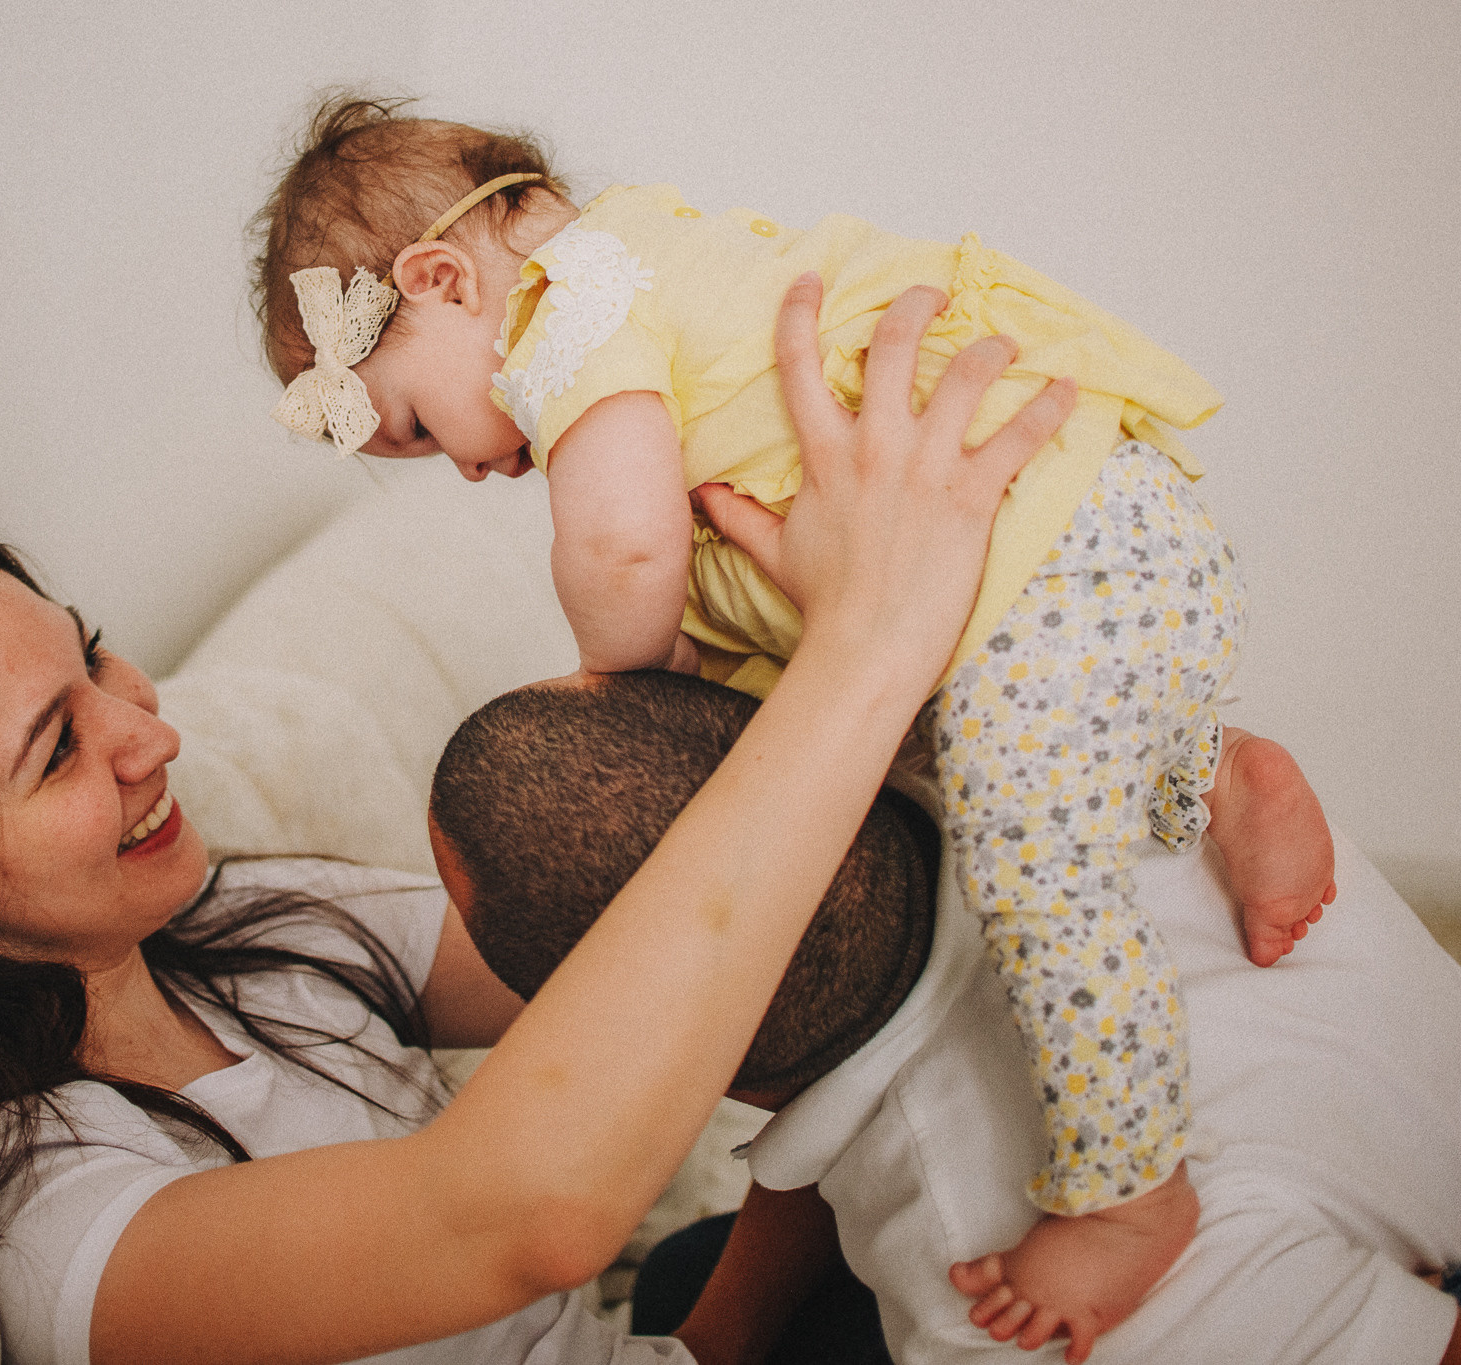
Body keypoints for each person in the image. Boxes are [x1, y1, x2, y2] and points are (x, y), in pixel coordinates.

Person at [0, 277, 1073, 1362]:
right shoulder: (64, 1223)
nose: (152, 732)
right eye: (60, 748)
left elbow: (664, 956)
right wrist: (866, 649)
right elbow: (519, 1212)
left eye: (95, 656)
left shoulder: (248, 930)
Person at [252, 95, 1336, 1352]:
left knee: (1033, 868)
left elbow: (621, 542)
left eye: (418, 426)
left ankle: (1127, 1183)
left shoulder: (567, 322)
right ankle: (1211, 769)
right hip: (1090, 544)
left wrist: (632, 663)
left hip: (1047, 550)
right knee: (922, 751)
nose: (466, 468)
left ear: (439, 279)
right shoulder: (646, 249)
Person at [430, 666, 1461, 1365]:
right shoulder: (1033, 779)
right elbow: (844, 1089)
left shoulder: (1004, 1278)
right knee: (691, 1283)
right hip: (1385, 1111)